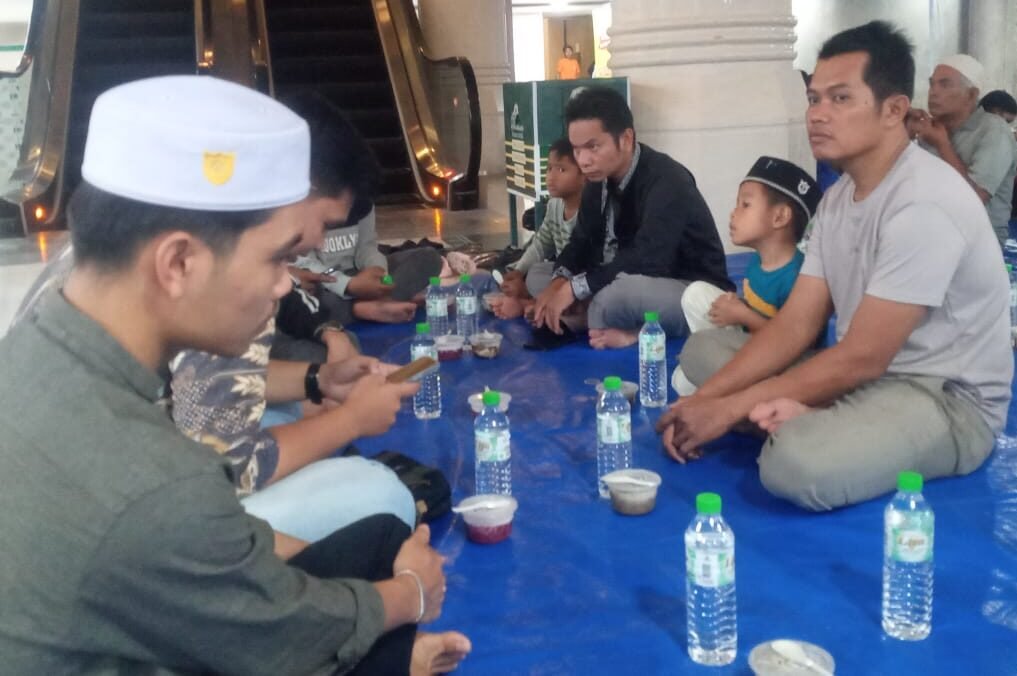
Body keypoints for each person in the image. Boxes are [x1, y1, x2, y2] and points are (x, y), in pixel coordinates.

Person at [0, 75, 470, 673]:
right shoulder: (158, 485)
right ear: (179, 262)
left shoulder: (41, 346)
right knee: (381, 505)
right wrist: (408, 596)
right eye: (277, 257)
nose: (285, 283)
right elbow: (272, 631)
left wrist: (313, 383)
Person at [656, 21, 1013, 512]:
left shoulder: (924, 203)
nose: (818, 115)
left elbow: (865, 356)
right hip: (864, 377)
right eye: (814, 98)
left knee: (794, 464)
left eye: (841, 99)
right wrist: (704, 402)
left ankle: (807, 422)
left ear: (894, 111)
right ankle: (810, 415)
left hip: (940, 398)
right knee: (703, 352)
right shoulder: (839, 198)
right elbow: (796, 325)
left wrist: (731, 408)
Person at [531, 85, 732, 349]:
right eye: (577, 150)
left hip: (683, 285)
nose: (583, 160)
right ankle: (585, 313)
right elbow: (581, 240)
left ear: (625, 139)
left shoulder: (668, 180)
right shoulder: (598, 177)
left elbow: (649, 259)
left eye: (593, 147)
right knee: (538, 275)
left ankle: (589, 315)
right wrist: (559, 282)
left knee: (613, 298)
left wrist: (576, 288)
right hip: (622, 275)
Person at [287, 93, 443, 326]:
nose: (320, 241)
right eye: (325, 224)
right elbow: (303, 268)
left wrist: (377, 272)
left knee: (429, 257)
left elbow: (368, 247)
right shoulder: (256, 262)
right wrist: (347, 285)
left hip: (357, 276)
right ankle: (359, 309)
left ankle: (369, 304)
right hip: (329, 282)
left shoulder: (356, 200)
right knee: (309, 296)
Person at [672, 156, 822, 396]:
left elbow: (794, 341)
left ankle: (721, 377)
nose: (733, 213)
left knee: (685, 379)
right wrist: (737, 307)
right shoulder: (757, 262)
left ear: (780, 217)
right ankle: (714, 367)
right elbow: (757, 310)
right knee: (696, 293)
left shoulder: (798, 275)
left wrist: (742, 314)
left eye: (746, 205)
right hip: (748, 341)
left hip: (783, 362)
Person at [908, 54, 1017, 246]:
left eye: (945, 85)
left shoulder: (994, 130)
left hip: (977, 245)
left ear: (972, 94)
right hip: (929, 237)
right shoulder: (930, 128)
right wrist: (902, 134)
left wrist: (942, 145)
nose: (933, 92)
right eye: (932, 84)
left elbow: (974, 199)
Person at [492, 137, 585, 319]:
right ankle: (535, 300)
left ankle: (532, 302)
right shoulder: (554, 205)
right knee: (535, 273)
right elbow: (541, 244)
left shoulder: (590, 211)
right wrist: (518, 272)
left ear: (584, 176)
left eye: (561, 169)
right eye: (549, 168)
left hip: (583, 280)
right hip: (560, 274)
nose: (551, 176)